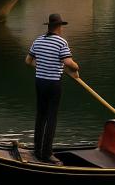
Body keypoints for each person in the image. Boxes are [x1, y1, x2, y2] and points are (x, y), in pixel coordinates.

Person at [25, 13, 80, 165]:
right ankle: (47, 153)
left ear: (49, 26)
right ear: (59, 27)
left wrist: (43, 66)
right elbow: (68, 62)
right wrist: (76, 67)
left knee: (41, 115)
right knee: (51, 118)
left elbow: (28, 60)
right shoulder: (61, 42)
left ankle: (37, 150)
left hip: (39, 81)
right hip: (53, 84)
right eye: (61, 27)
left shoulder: (38, 40)